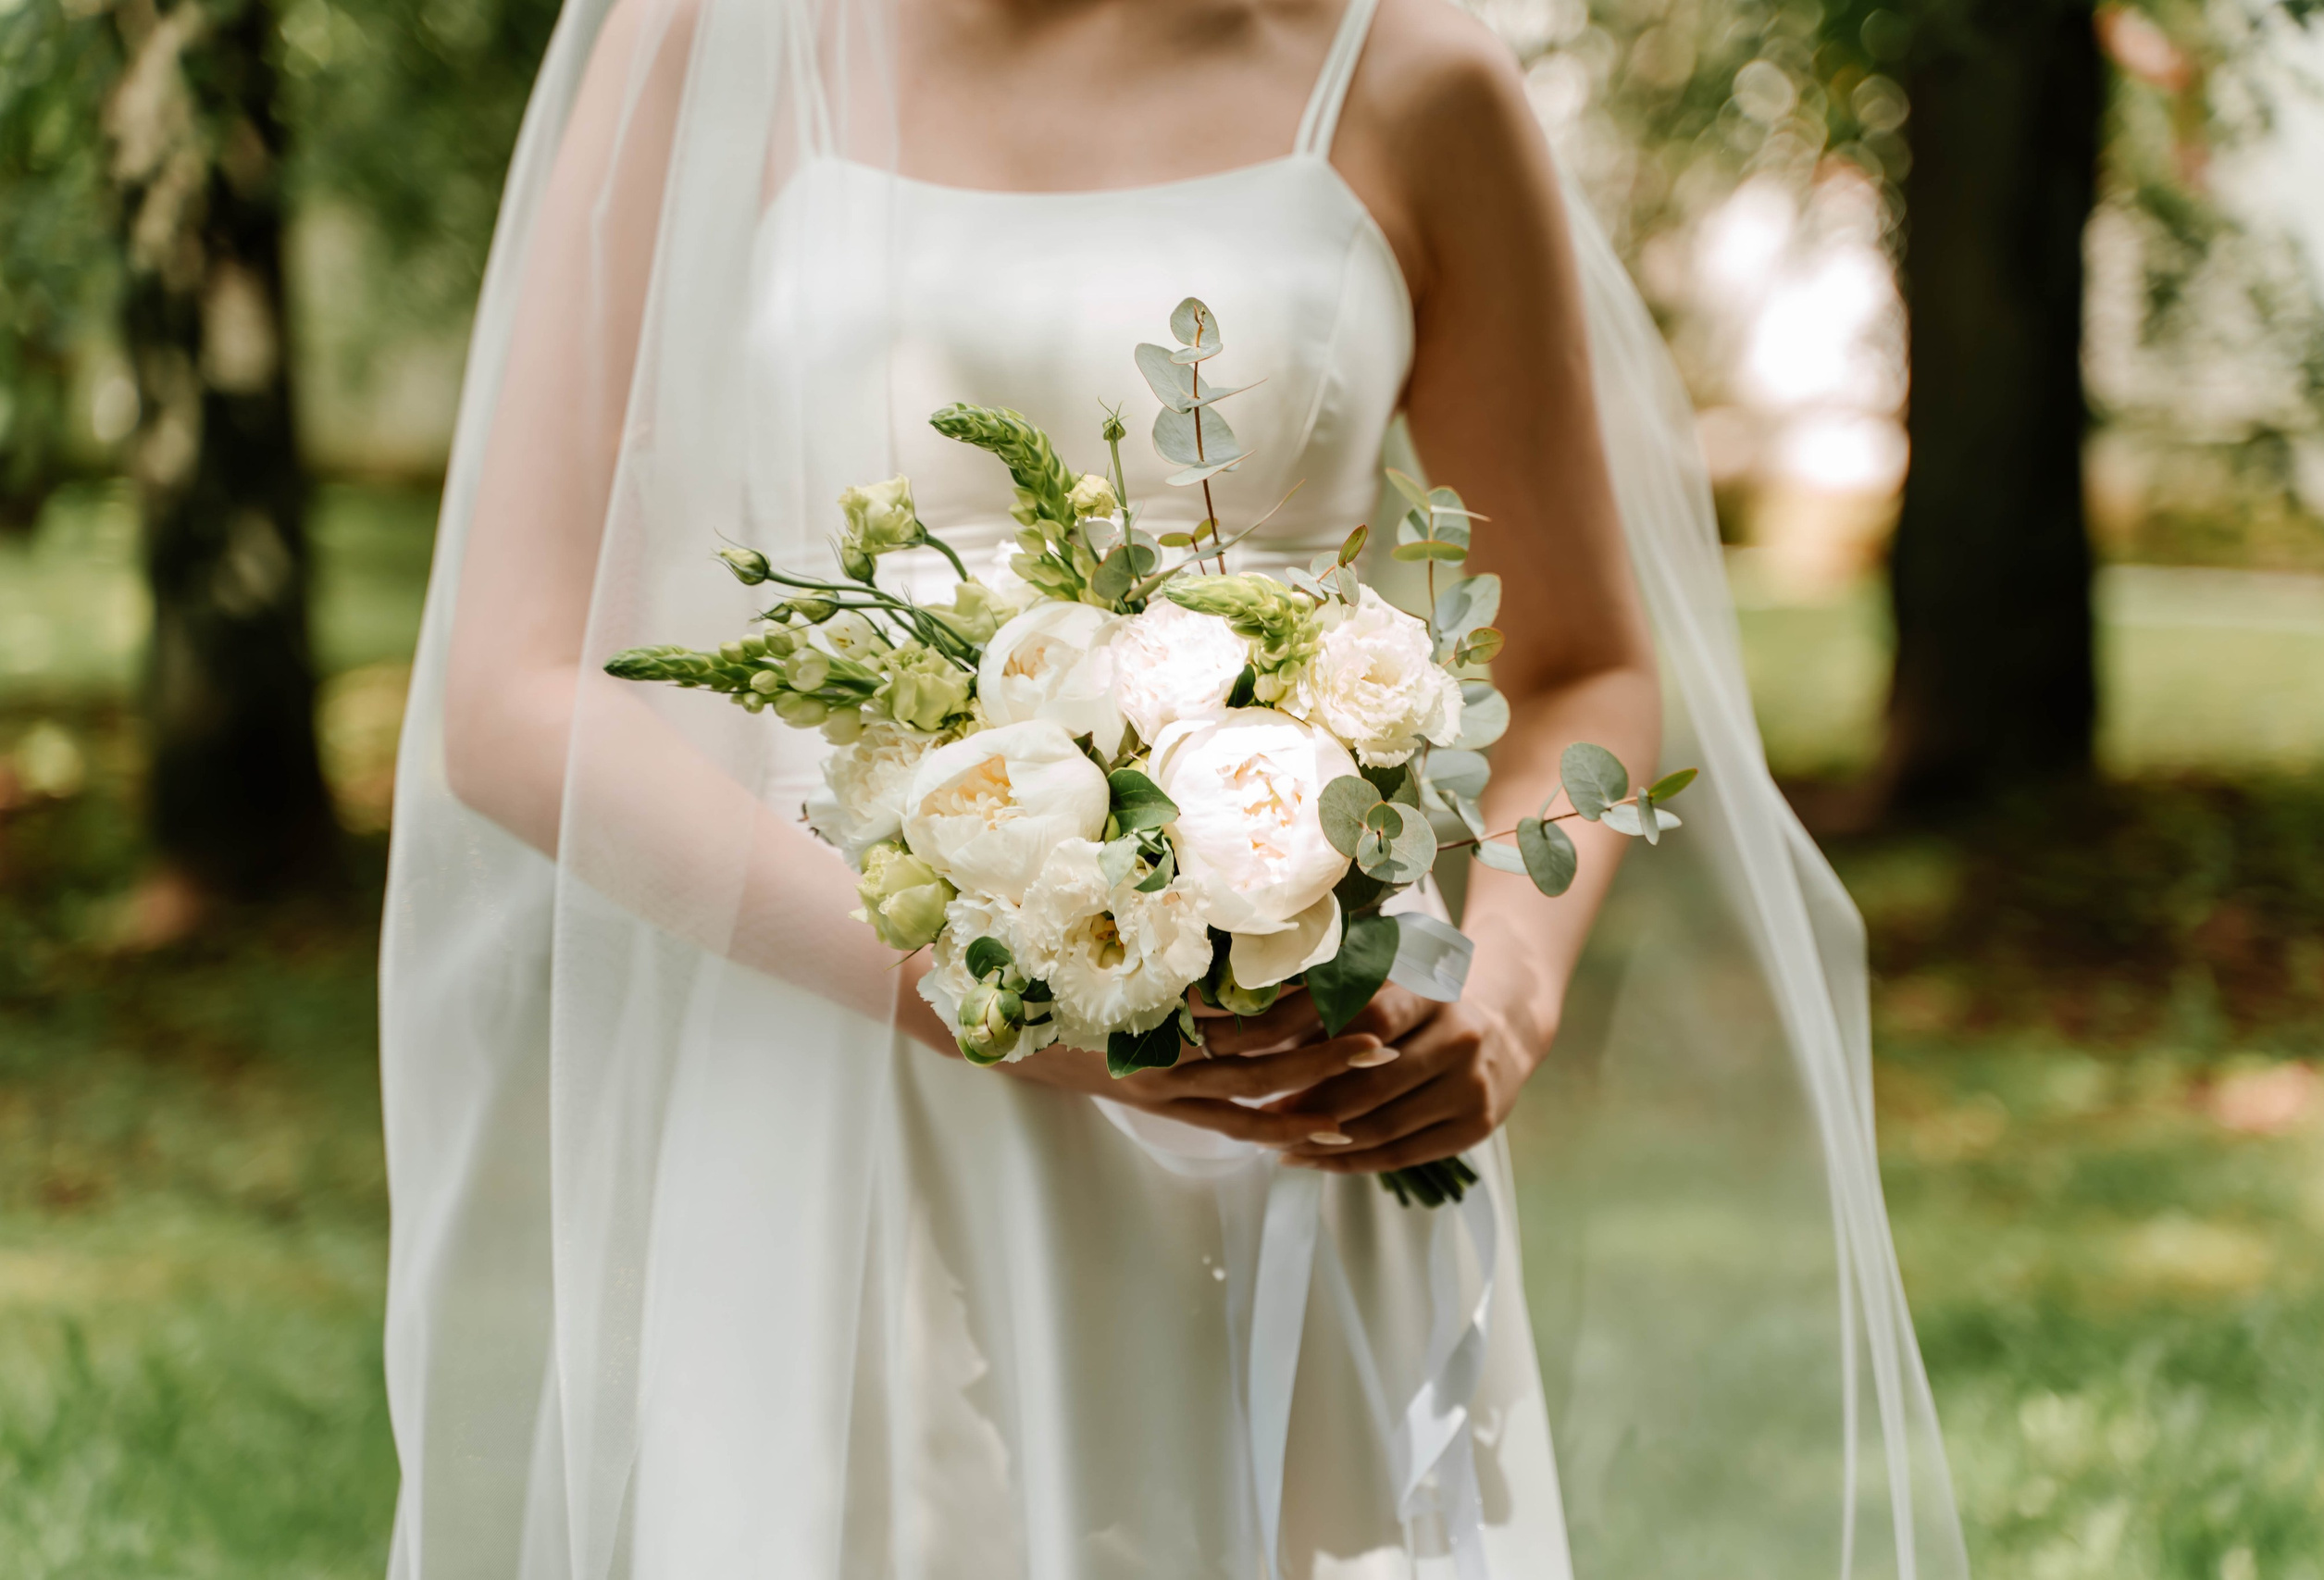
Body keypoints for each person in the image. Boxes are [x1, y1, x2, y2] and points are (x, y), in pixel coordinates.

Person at [379, 1, 1968, 1575]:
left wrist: (1508, 994)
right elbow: (514, 698)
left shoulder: (1416, 77)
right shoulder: (715, 39)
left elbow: (1579, 663)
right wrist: (957, 991)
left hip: (1294, 1063)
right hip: (837, 1062)